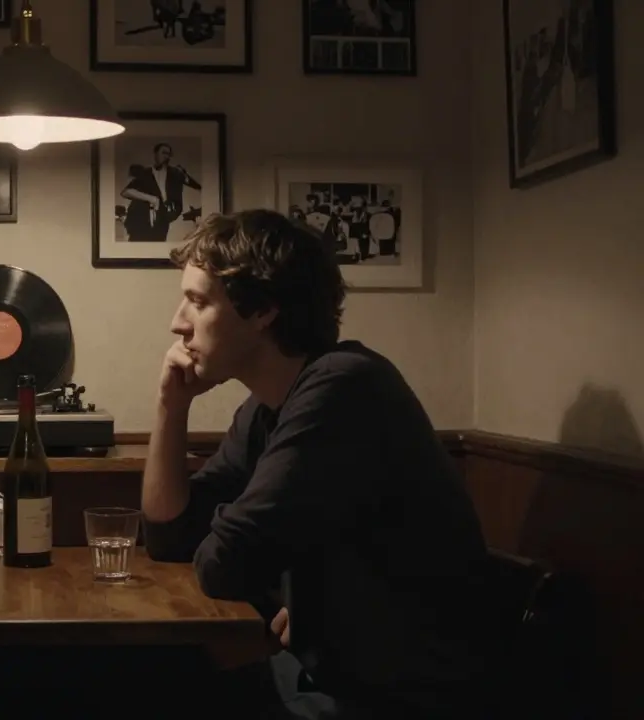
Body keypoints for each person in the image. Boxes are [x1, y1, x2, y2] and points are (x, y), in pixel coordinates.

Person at [141, 209, 497, 719]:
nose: (178, 323)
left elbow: (223, 561)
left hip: (393, 695)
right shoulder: (266, 409)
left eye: (198, 301)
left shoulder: (343, 387)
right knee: (141, 681)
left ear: (262, 309)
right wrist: (170, 406)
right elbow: (170, 537)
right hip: (328, 668)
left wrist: (277, 575)